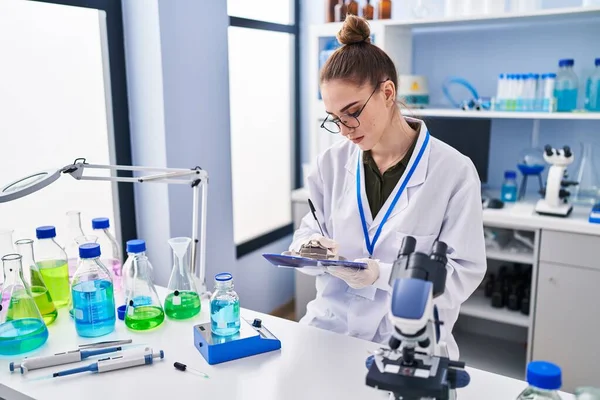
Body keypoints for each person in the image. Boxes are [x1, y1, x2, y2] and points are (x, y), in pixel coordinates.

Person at [288, 15, 486, 360]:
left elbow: (462, 273)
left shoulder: (453, 171)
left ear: (388, 92)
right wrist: (309, 247)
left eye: (352, 112)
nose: (346, 128)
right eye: (335, 118)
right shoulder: (330, 164)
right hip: (330, 329)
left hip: (407, 340)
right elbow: (309, 235)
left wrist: (384, 276)